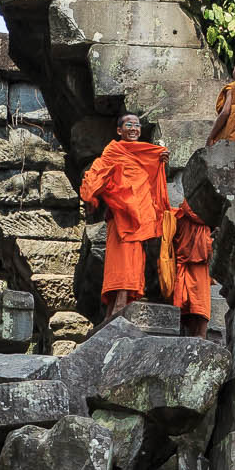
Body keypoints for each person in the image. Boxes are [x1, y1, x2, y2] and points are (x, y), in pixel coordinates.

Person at [78, 113, 169, 324]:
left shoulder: (146, 152)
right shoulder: (113, 151)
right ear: (119, 130)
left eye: (137, 125)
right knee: (119, 261)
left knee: (134, 260)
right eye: (129, 125)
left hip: (138, 217)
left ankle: (119, 305)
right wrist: (95, 195)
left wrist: (161, 161)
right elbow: (96, 175)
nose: (134, 128)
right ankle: (115, 307)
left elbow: (151, 178)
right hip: (120, 217)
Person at [158, 199, 214, 337]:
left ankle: (197, 336)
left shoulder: (181, 216)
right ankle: (199, 336)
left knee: (191, 305)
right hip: (194, 266)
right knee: (199, 304)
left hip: (190, 266)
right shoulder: (186, 218)